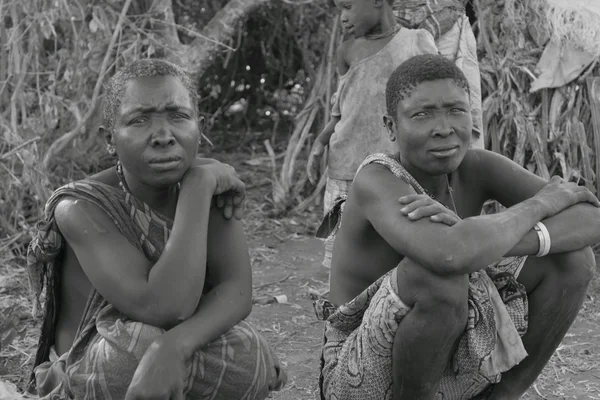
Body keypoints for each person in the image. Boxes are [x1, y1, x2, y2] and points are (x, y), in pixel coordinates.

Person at [314, 54, 599, 399]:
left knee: (572, 259)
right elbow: (448, 257)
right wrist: (540, 204)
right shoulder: (377, 179)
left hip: (445, 355)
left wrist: (480, 240)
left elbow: (590, 216)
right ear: (390, 126)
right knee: (438, 277)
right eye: (422, 114)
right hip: (360, 375)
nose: (444, 128)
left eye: (456, 111)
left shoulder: (476, 166)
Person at [27, 59, 286, 399]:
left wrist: (173, 347)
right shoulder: (80, 207)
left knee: (251, 353)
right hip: (92, 361)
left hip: (172, 344)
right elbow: (164, 306)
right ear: (109, 139)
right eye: (139, 120)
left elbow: (236, 290)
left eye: (178, 116)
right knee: (134, 352)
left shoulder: (210, 184)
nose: (164, 136)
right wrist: (196, 187)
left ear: (200, 126)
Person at [306, 0, 439, 269]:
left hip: (395, 167)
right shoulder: (347, 50)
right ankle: (339, 302)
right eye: (339, 10)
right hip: (345, 164)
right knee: (340, 248)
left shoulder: (416, 43)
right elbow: (340, 106)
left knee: (396, 243)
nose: (343, 18)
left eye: (348, 6)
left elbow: (436, 100)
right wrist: (321, 142)